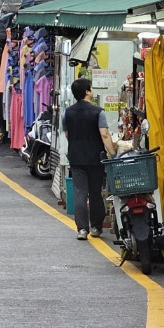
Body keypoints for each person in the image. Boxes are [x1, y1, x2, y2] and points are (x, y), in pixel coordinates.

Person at [62, 76, 117, 241]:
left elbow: (67, 134)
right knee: (95, 193)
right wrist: (113, 153)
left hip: (76, 157)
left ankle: (82, 229)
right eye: (91, 88)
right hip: (95, 158)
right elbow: (105, 134)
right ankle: (96, 227)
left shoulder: (68, 112)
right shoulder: (98, 112)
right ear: (87, 91)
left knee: (79, 193)